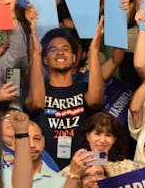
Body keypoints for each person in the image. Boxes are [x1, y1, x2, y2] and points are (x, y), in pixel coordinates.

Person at [26, 21, 105, 169]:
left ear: (74, 58)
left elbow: (95, 101)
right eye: (53, 50)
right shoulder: (40, 93)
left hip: (83, 168)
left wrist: (94, 50)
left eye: (65, 49)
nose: (60, 52)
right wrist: (36, 53)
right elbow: (37, 103)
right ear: (45, 60)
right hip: (47, 170)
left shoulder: (84, 89)